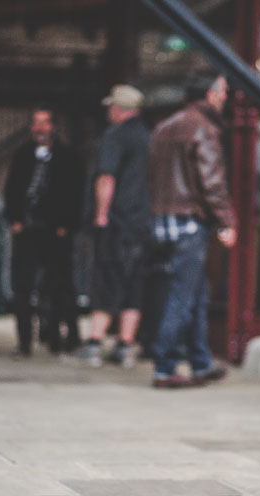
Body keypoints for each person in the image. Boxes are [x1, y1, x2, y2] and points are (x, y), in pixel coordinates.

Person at [148, 74, 236, 387]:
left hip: (164, 219)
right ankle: (164, 366)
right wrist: (226, 221)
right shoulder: (204, 127)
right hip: (189, 221)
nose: (226, 97)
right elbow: (211, 181)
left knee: (195, 294)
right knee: (183, 297)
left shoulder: (165, 125)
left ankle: (200, 362)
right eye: (224, 90)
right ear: (211, 94)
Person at [80, 85, 151, 368]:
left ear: (119, 109)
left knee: (106, 279)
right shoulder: (148, 137)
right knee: (134, 283)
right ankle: (124, 346)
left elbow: (106, 178)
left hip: (117, 220)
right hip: (141, 222)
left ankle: (94, 343)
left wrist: (101, 214)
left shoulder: (114, 136)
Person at [5, 106, 82, 356]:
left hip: (55, 231)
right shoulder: (23, 155)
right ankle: (25, 340)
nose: (40, 128)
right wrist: (15, 220)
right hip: (26, 229)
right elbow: (12, 188)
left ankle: (62, 338)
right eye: (36, 123)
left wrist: (66, 225)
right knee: (22, 288)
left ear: (53, 126)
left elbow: (75, 193)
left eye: (45, 123)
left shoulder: (67, 156)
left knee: (60, 286)